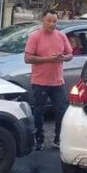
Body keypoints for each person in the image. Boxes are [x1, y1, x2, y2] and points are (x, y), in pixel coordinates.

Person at [24, 10, 73, 150]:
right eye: (49, 21)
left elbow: (70, 54)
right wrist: (47, 59)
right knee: (39, 112)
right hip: (40, 82)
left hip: (57, 82)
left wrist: (63, 58)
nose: (52, 24)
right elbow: (27, 58)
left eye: (55, 21)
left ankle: (58, 139)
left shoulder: (61, 35)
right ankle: (39, 140)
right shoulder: (35, 36)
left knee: (62, 111)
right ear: (42, 20)